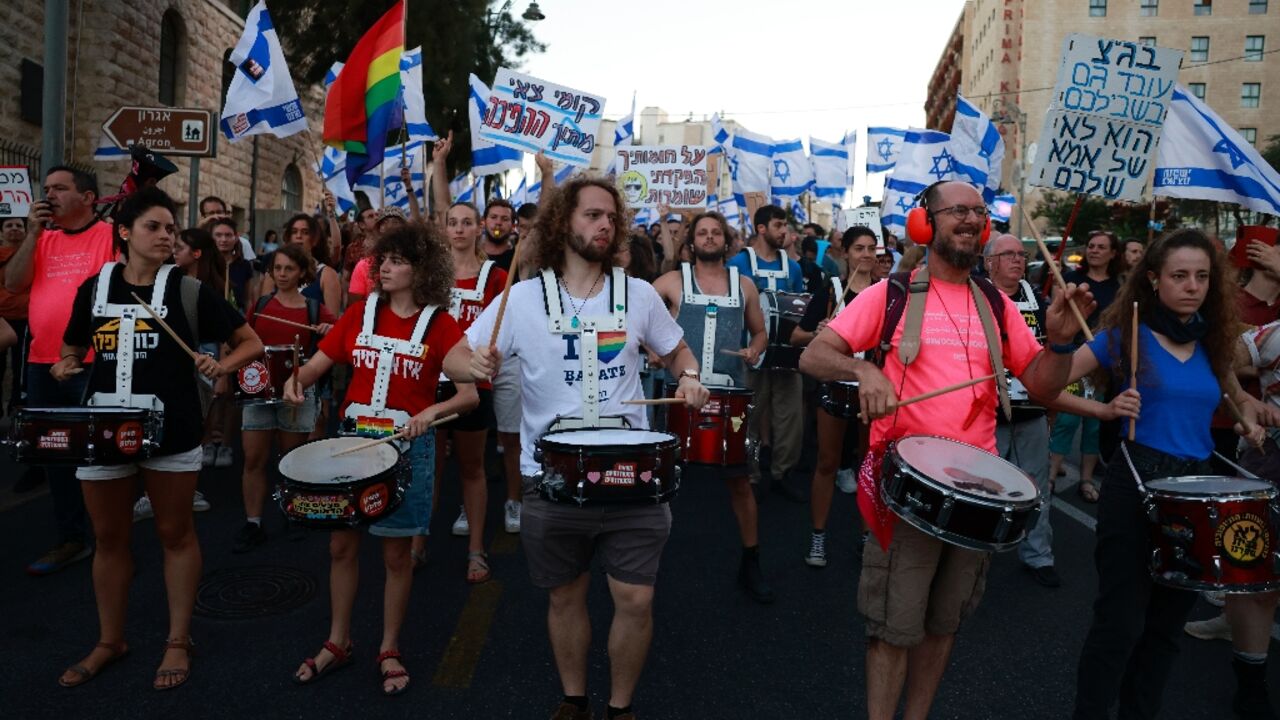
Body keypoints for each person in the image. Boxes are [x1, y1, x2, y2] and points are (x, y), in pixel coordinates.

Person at [799, 180, 1092, 720]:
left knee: (944, 625)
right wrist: (863, 367)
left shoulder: (997, 305)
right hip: (906, 491)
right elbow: (815, 355)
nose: (970, 220)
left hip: (978, 493)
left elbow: (1046, 386)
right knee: (893, 627)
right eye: (956, 210)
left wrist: (1061, 341)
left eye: (978, 212)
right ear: (925, 223)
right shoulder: (887, 295)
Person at [444, 176, 709, 720]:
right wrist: (471, 366)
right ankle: (573, 699)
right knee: (565, 596)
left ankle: (620, 707)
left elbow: (678, 351)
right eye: (591, 215)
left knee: (635, 598)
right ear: (564, 221)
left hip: (632, 473)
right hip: (552, 477)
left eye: (610, 217)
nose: (604, 225)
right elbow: (453, 357)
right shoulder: (519, 298)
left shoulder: (637, 293)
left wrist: (690, 377)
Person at [1046, 228, 1265, 719]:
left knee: (1166, 629)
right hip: (1136, 482)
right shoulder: (1126, 337)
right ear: (1153, 280)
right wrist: (1102, 411)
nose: (1193, 286)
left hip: (1196, 489)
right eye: (1180, 276)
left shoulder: (1211, 341)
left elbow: (1233, 395)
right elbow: (1047, 387)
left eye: (1202, 277)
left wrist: (1249, 421)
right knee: (1120, 624)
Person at [52, 187, 262, 690]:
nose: (167, 235)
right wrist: (65, 365)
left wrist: (221, 365)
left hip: (173, 430)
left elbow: (250, 342)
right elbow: (71, 347)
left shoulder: (187, 291)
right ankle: (110, 640)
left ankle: (177, 640)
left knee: (175, 534)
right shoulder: (94, 288)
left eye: (171, 228)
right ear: (124, 233)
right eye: (154, 226)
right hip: (103, 429)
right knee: (109, 538)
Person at [283, 223, 475, 696]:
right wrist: (297, 382)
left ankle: (389, 647)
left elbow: (468, 392)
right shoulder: (358, 314)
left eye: (395, 261)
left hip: (406, 449)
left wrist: (432, 411)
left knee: (395, 555)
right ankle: (338, 640)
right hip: (351, 443)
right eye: (380, 259)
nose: (382, 268)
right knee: (341, 548)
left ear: (422, 268)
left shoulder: (440, 323)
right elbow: (316, 366)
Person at [651, 211, 773, 602]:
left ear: (726, 240)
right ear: (692, 241)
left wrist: (755, 350)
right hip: (678, 392)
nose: (708, 237)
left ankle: (751, 562)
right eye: (701, 232)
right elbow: (633, 318)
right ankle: (643, 563)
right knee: (659, 478)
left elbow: (760, 332)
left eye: (715, 232)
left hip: (730, 395)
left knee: (739, 480)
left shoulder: (745, 285)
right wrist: (652, 349)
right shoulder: (672, 281)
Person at [6, 166, 116, 574]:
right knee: (56, 458)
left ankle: (112, 545)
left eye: (60, 188)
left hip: (92, 364)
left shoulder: (108, 236)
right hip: (41, 364)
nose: (49, 195)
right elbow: (15, 284)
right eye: (46, 188)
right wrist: (32, 234)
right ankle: (72, 539)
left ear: (88, 198)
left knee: (101, 459)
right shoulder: (42, 239)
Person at [429, 144, 512, 580]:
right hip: (429, 383)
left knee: (471, 467)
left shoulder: (495, 277)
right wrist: (440, 163)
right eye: (452, 223)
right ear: (444, 229)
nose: (458, 228)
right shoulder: (431, 275)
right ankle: (417, 542)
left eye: (467, 222)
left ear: (479, 229)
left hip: (472, 387)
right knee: (430, 466)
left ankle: (476, 549)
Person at [233, 244, 336, 552]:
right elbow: (244, 339)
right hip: (258, 390)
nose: (281, 274)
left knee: (290, 459)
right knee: (253, 458)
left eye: (288, 269)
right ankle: (253, 522)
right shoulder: (261, 305)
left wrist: (330, 328)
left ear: (302, 272)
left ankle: (292, 511)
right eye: (277, 268)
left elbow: (343, 337)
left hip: (297, 392)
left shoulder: (313, 309)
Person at [794, 226, 878, 568]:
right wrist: (818, 332)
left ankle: (865, 539)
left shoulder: (887, 293)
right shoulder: (831, 289)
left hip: (872, 389)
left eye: (872, 248)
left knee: (868, 466)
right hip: (836, 386)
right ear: (845, 253)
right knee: (828, 463)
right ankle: (818, 537)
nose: (867, 255)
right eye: (860, 248)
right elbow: (797, 335)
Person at [983, 234, 1059, 587]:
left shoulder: (1036, 298)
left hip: (1030, 409)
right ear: (989, 262)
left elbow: (1050, 352)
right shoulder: (976, 295)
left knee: (1036, 485)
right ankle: (975, 554)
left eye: (1021, 254)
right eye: (1008, 254)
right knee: (984, 487)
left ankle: (1039, 555)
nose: (1017, 259)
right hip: (987, 411)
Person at [727, 204, 809, 502]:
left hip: (786, 354)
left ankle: (781, 473)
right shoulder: (738, 263)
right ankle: (747, 472)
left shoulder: (794, 267)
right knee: (747, 416)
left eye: (784, 225)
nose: (784, 231)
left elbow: (801, 307)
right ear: (761, 229)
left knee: (790, 418)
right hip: (749, 352)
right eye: (778, 225)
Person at [1050, 229, 1124, 499]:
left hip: (1103, 366)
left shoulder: (1120, 287)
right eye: (1091, 245)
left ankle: (1086, 480)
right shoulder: (1071, 280)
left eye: (1101, 247)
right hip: (1072, 358)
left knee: (1094, 423)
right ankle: (1049, 476)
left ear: (1113, 253)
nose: (1094, 250)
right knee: (1066, 420)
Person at [0, 216, 31, 415]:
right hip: (1, 320)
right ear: (1, 233)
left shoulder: (32, 254)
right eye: (9, 225)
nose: (14, 229)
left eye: (19, 225)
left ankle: (16, 408)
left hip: (26, 320)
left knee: (22, 368)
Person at [481, 199, 517, 270]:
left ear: (513, 226)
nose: (498, 222)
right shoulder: (472, 256)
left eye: (505, 219)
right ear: (484, 222)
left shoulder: (518, 259)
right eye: (493, 217)